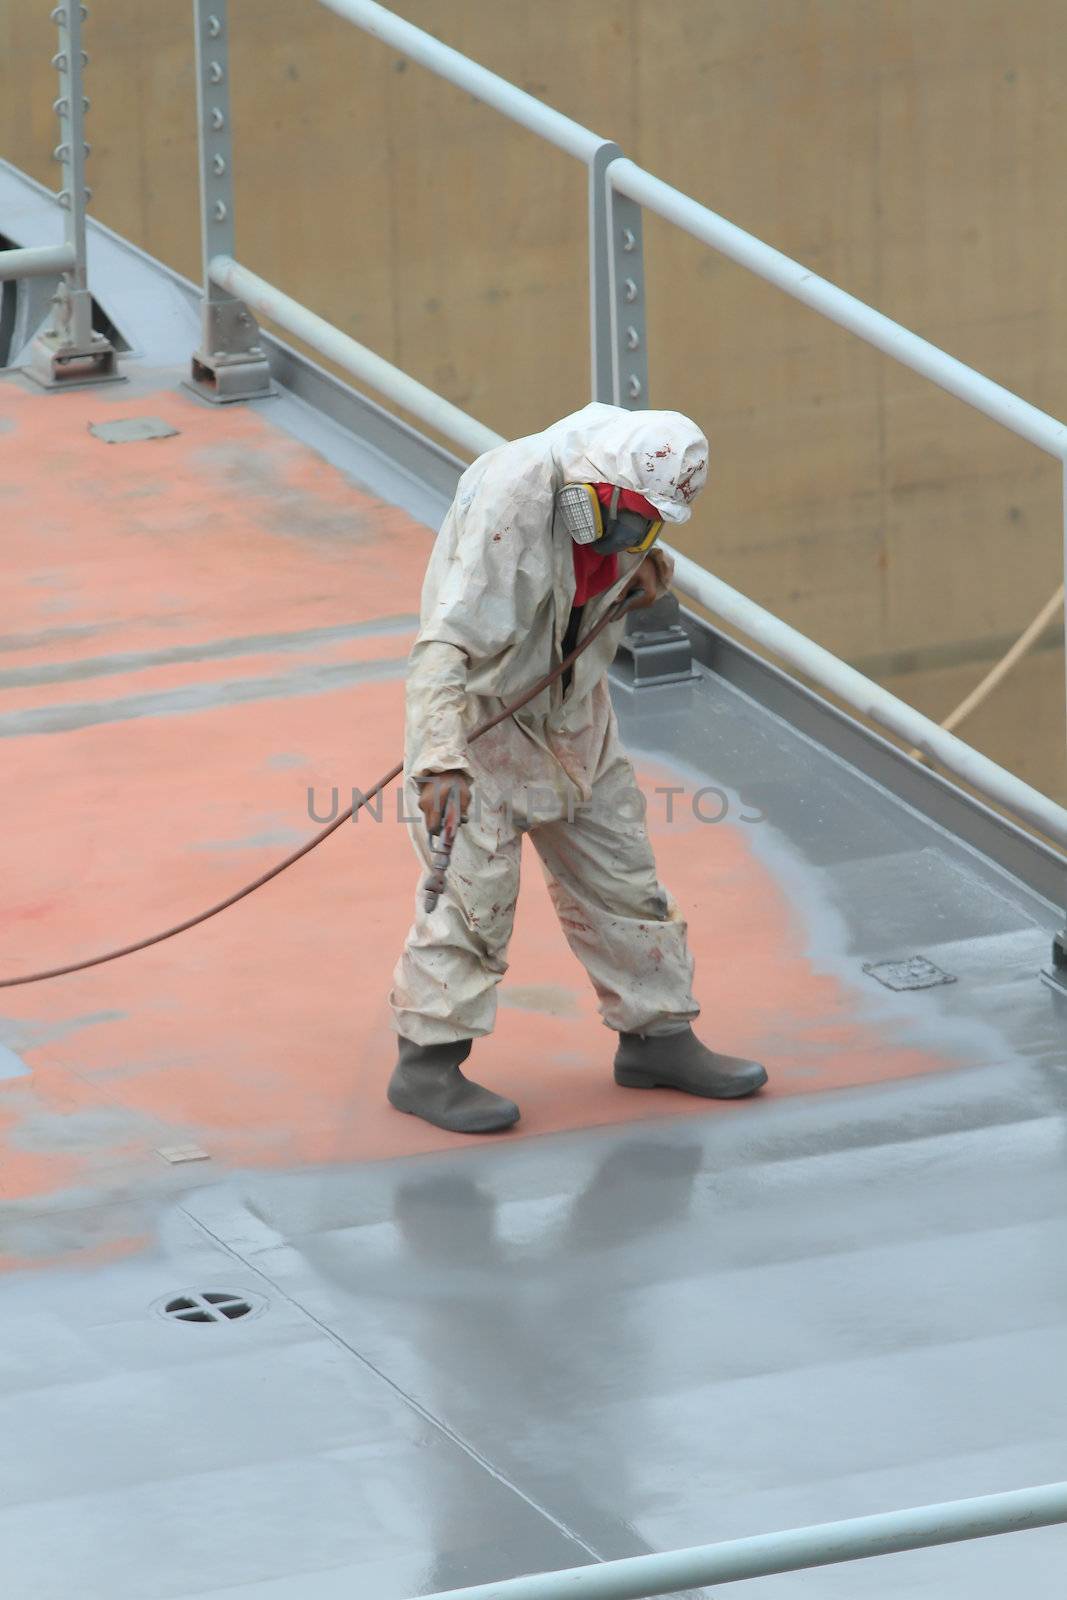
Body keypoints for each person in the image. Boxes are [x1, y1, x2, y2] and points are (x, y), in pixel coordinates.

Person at [387, 402, 768, 1133]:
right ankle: (426, 1067)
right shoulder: (515, 502)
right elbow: (444, 646)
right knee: (474, 896)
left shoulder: (625, 492)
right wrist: (438, 760)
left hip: (575, 711)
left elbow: (613, 552)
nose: (629, 534)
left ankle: (657, 1039)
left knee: (622, 875)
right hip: (482, 720)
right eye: (626, 522)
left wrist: (647, 563)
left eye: (645, 526)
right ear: (592, 489)